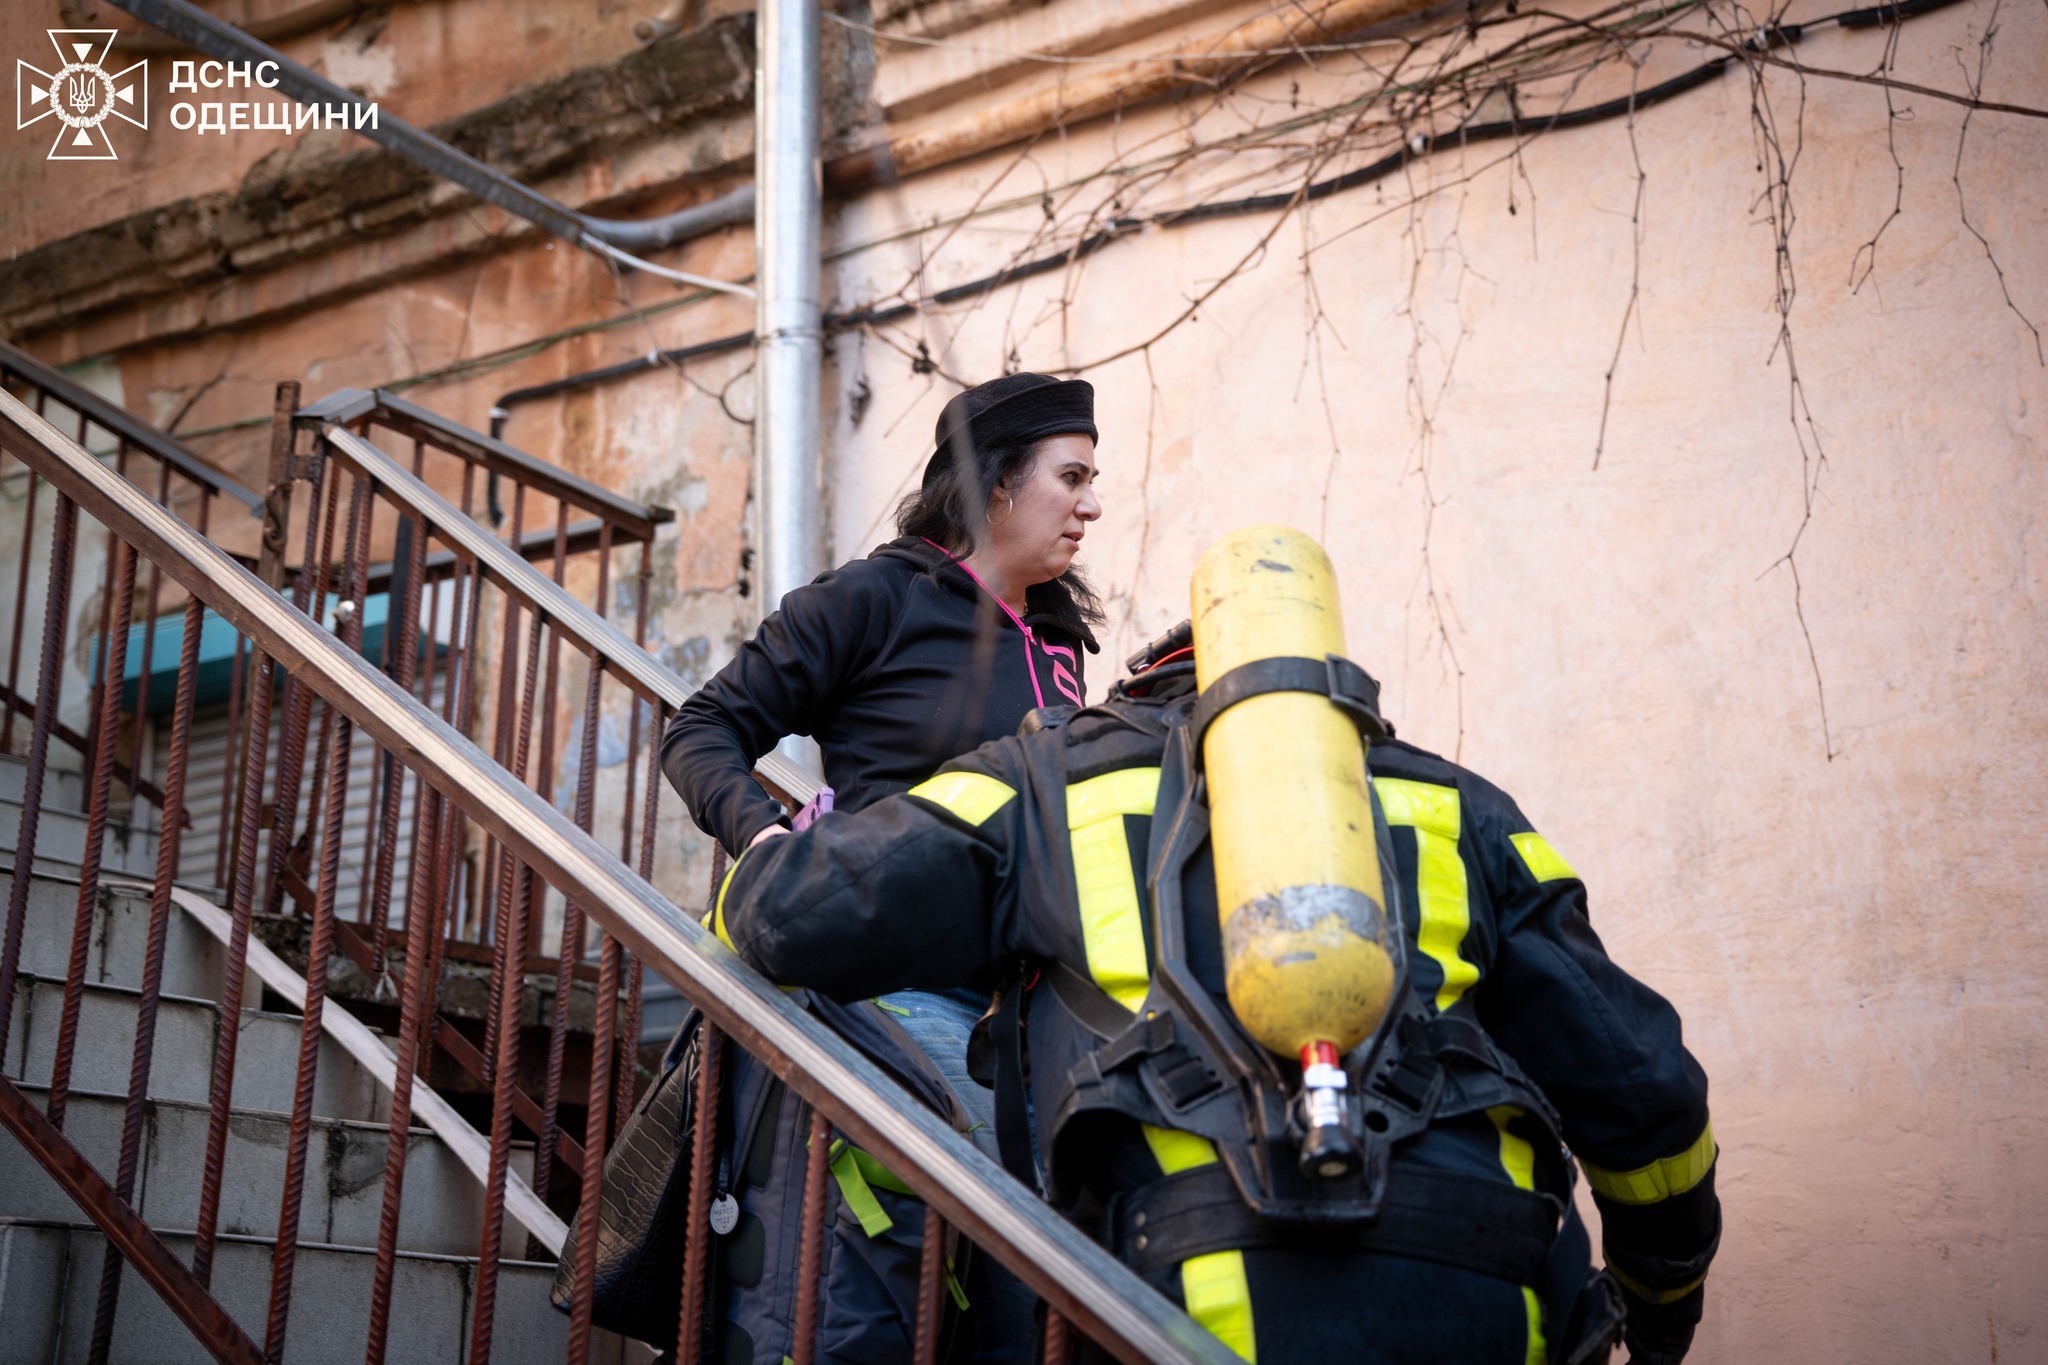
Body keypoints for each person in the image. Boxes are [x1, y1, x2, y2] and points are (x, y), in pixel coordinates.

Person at [706, 616, 1722, 1364]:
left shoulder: (1044, 781)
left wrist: (757, 854)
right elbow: (1648, 1097)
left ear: (1141, 688)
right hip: (1491, 1298)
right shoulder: (1459, 807)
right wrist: (1656, 1316)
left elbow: (792, 915)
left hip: (1168, 1307)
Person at [661, 372, 1107, 1363]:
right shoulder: (877, 598)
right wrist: (763, 840)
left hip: (1028, 1025)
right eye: (1071, 477)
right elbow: (702, 728)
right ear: (997, 483)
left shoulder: (1058, 645)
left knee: (1046, 1295)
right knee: (1001, 1264)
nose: (1091, 505)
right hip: (898, 998)